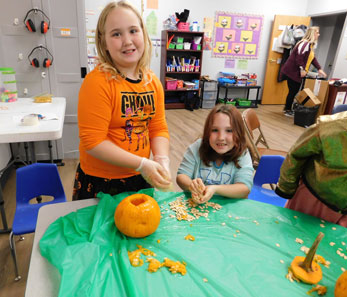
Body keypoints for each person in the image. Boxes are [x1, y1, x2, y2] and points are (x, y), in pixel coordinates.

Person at [73, 1, 171, 200]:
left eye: (133, 30)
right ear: (104, 42)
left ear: (143, 33)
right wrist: (142, 163)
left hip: (140, 177)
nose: (127, 41)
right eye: (116, 34)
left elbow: (158, 128)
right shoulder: (97, 83)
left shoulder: (153, 82)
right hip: (102, 182)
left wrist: (161, 159)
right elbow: (93, 141)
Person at [275, 109, 347, 231]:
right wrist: (286, 188)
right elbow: (296, 155)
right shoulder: (328, 128)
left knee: (338, 249)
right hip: (314, 202)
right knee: (295, 238)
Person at [176, 104, 254, 204]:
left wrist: (215, 189)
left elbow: (244, 188)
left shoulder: (242, 153)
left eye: (229, 130)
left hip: (229, 209)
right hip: (196, 207)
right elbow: (181, 176)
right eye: (215, 130)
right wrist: (191, 185)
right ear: (207, 132)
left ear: (239, 133)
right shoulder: (196, 148)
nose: (221, 137)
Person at [280, 26, 327, 117]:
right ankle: (287, 109)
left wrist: (319, 69)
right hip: (292, 71)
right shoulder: (304, 44)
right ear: (312, 33)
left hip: (297, 71)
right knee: (293, 91)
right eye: (317, 32)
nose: (319, 34)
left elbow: (312, 59)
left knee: (294, 90)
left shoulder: (310, 45)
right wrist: (302, 69)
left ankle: (289, 108)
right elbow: (299, 58)